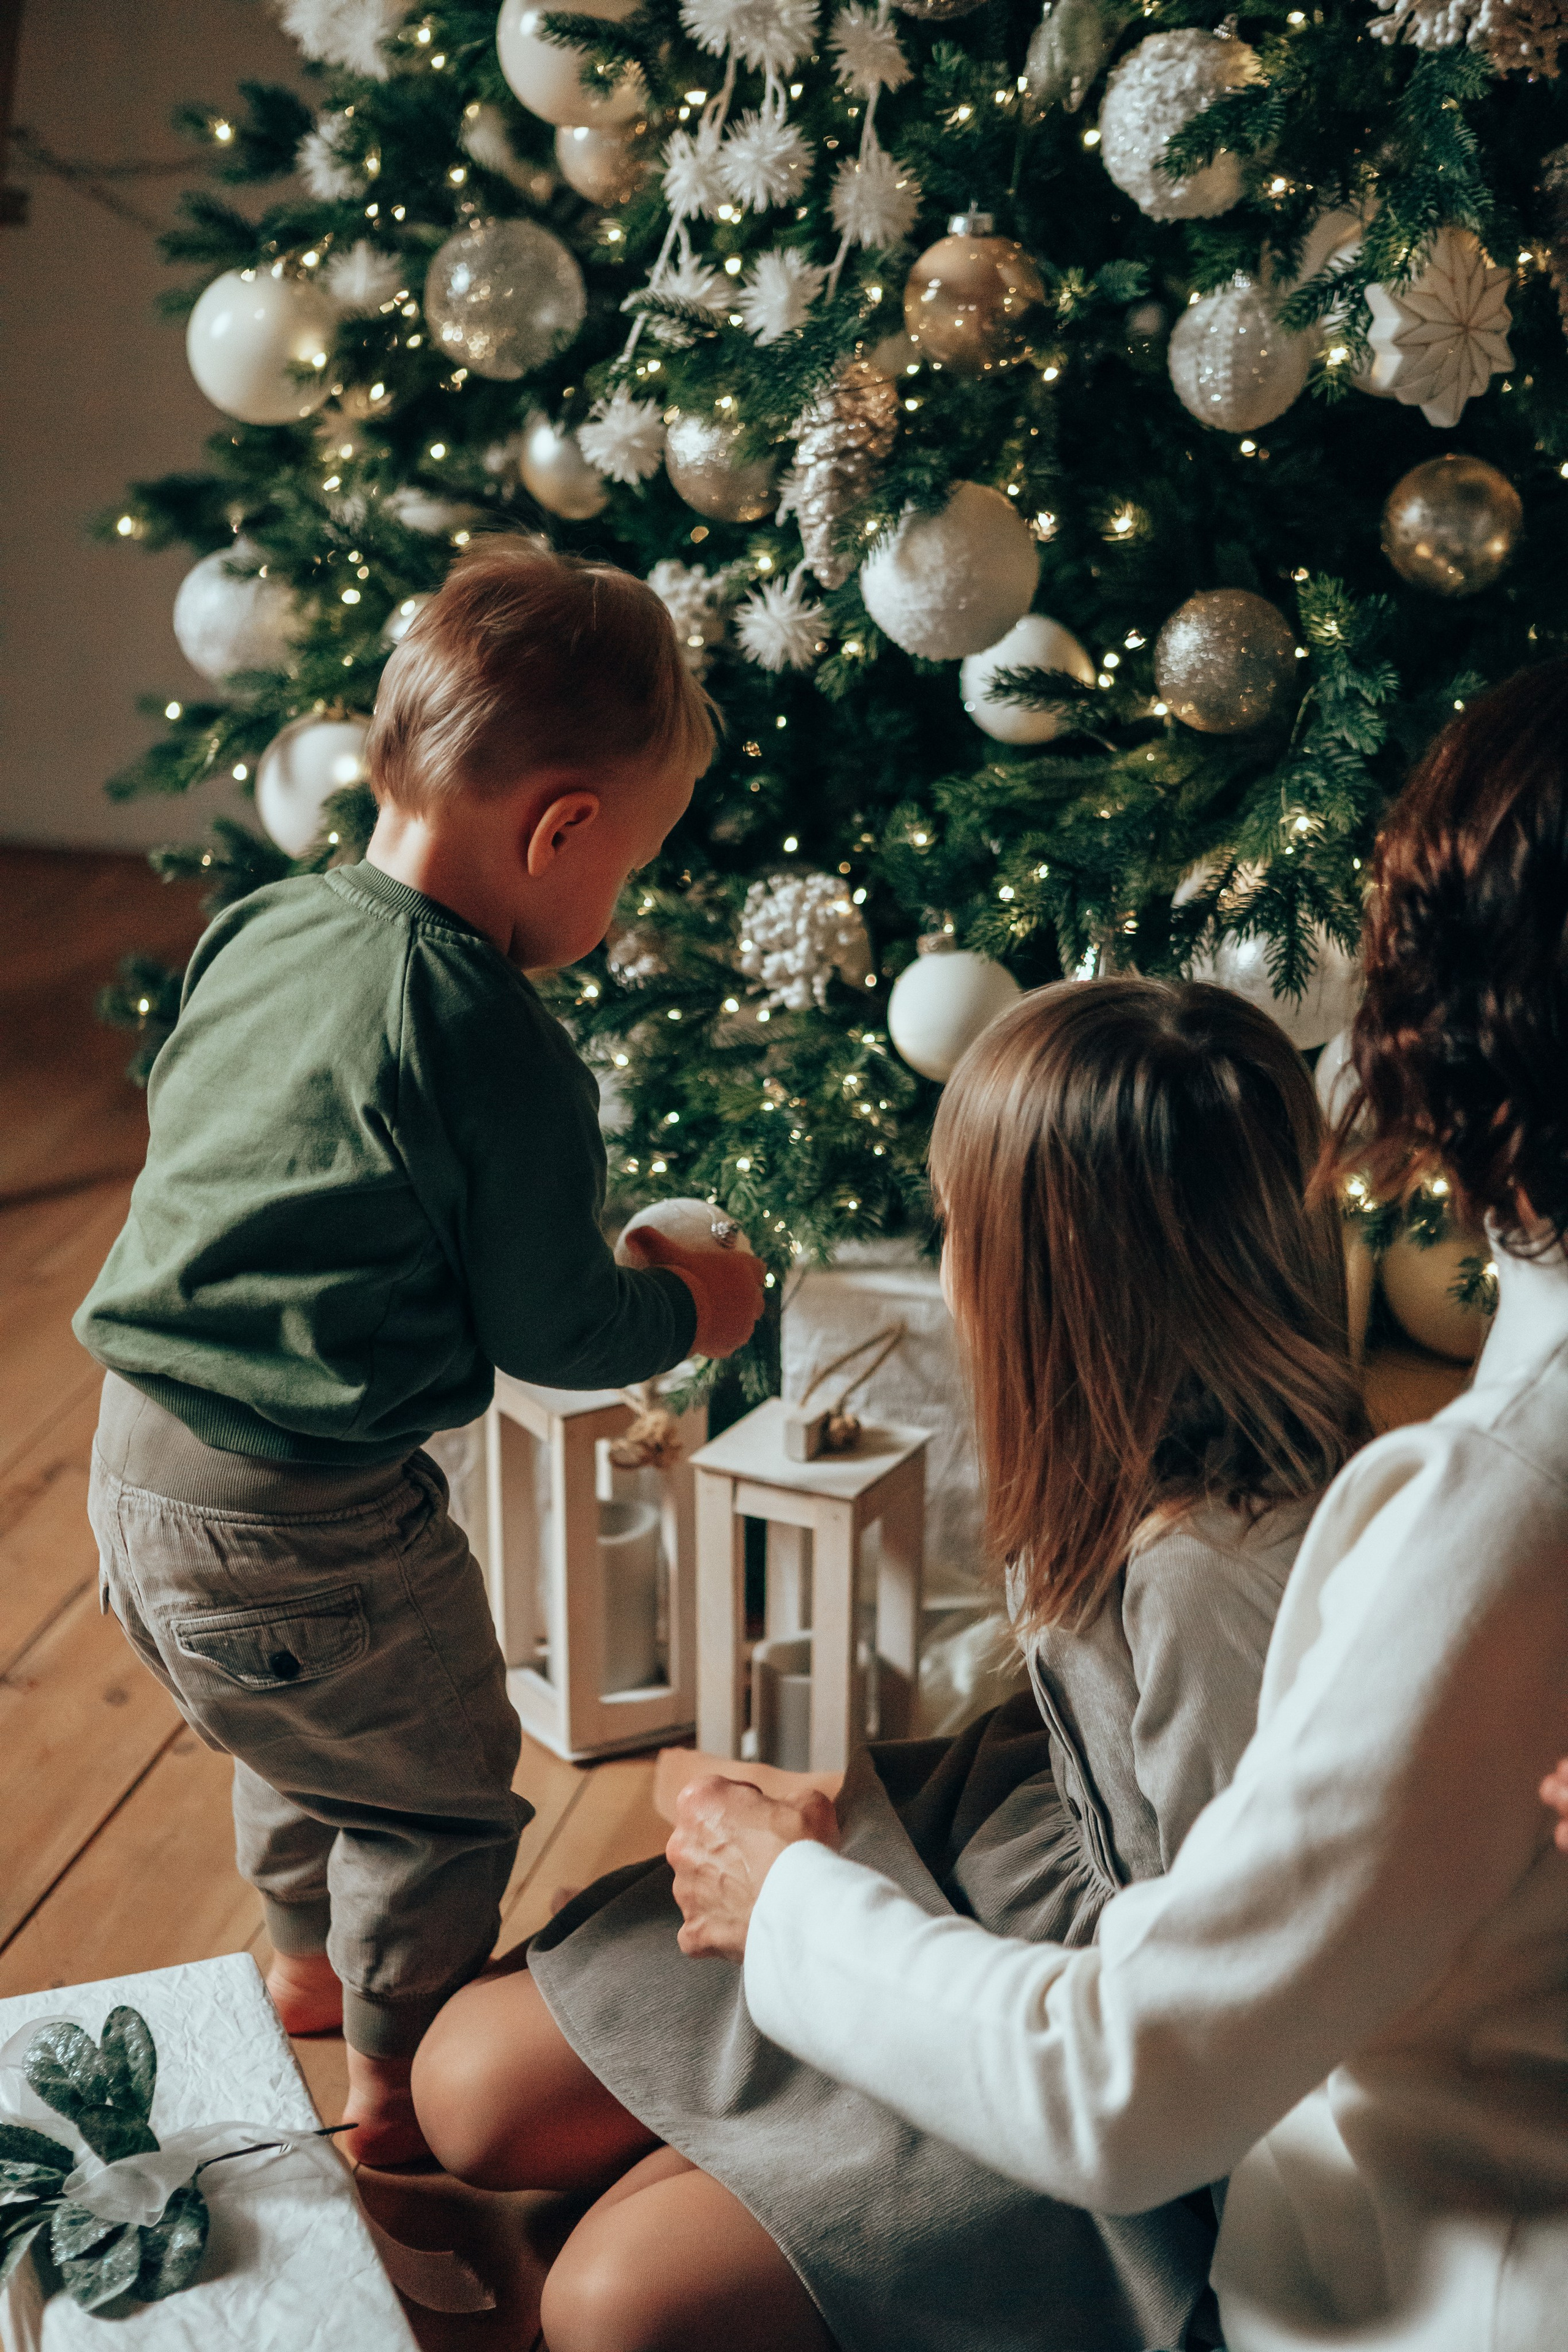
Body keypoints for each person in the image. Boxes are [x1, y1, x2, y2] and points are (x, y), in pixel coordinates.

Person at [670, 658, 1568, 2352]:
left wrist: (792, 1897)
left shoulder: (1478, 1510)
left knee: (625, 2283)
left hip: (1378, 2235)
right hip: (1106, 1966)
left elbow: (1142, 2072)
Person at [412, 976, 1365, 2352]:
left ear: (1056, 1281)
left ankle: (776, 2165)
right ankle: (743, 2140)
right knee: (465, 2090)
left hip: (1090, 2026)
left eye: (957, 1228)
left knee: (614, 2307)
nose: (945, 1263)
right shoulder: (1120, 1442)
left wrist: (818, 1910)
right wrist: (808, 1845)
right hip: (1005, 1858)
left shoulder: (1215, 1583)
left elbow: (1202, 2015)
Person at [73, 545, 765, 2163]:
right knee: (435, 1786)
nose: (613, 905)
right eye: (626, 869)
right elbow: (554, 1330)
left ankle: (307, 1966)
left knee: (302, 1729)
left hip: (130, 1467)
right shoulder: (488, 1033)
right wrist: (692, 1309)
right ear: (561, 830)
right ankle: (392, 2093)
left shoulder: (262, 925)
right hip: (303, 1516)